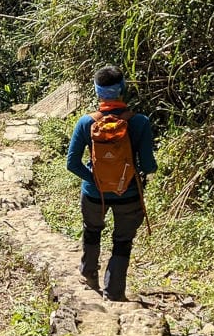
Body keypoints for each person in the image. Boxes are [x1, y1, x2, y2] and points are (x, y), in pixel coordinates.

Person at [65, 66, 157, 301]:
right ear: (122, 89)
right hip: (129, 194)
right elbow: (147, 165)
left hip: (95, 195)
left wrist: (96, 179)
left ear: (97, 92)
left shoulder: (86, 123)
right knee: (123, 241)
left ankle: (88, 274)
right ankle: (114, 293)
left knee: (92, 231)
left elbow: (72, 164)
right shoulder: (140, 122)